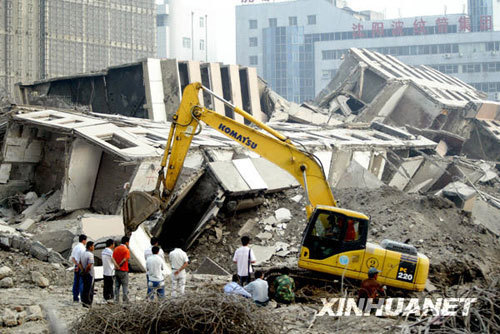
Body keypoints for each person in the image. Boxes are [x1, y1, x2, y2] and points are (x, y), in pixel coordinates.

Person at [113, 236, 131, 303]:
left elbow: (113, 258)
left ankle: (116, 300)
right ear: (126, 242)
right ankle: (125, 300)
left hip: (116, 270)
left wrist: (116, 266)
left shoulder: (116, 249)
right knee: (124, 286)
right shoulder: (126, 250)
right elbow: (125, 259)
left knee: (117, 286)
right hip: (123, 270)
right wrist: (119, 265)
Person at [70, 234, 87, 302]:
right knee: (81, 282)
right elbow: (82, 259)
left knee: (76, 282)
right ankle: (82, 297)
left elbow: (73, 258)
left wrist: (76, 265)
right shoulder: (83, 248)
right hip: (81, 266)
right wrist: (80, 267)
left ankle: (75, 297)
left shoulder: (75, 247)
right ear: (83, 240)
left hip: (76, 265)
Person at [102, 239, 119, 303]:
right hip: (110, 271)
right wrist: (117, 266)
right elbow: (113, 259)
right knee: (110, 285)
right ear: (111, 244)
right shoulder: (110, 252)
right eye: (113, 244)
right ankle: (111, 297)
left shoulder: (103, 251)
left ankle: (105, 297)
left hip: (105, 271)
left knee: (105, 285)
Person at [80, 241, 95, 308]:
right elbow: (89, 265)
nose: (93, 247)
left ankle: (84, 302)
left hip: (84, 273)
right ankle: (88, 303)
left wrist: (82, 270)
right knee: (90, 288)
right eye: (93, 246)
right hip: (89, 274)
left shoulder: (83, 253)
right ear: (90, 247)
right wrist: (86, 271)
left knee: (85, 288)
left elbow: (79, 262)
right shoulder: (90, 254)